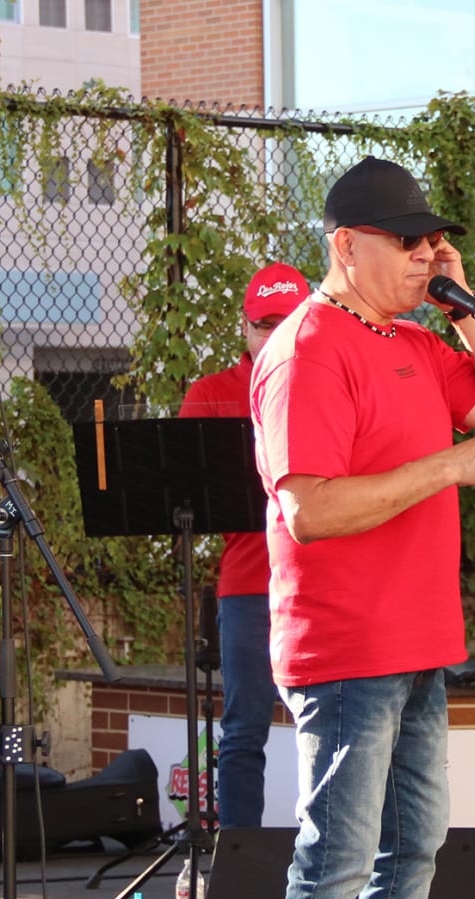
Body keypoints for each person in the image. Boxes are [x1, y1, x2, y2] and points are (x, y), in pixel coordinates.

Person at [253, 157, 475, 899]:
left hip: (418, 638)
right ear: (346, 245)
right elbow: (312, 508)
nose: (425, 254)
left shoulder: (418, 340)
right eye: (407, 242)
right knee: (337, 856)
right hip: (345, 644)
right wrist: (450, 468)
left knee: (413, 845)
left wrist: (462, 307)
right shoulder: (306, 347)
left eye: (431, 240)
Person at [175, 262, 310, 830]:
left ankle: (327, 867)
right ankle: (237, 863)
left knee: (333, 732)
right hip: (251, 584)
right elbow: (185, 491)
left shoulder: (329, 379)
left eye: (287, 322)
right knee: (245, 726)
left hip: (319, 583)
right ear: (246, 328)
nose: (274, 334)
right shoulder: (211, 394)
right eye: (264, 324)